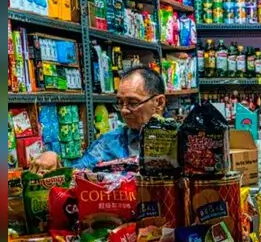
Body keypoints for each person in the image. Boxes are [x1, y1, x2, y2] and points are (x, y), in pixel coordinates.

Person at [29, 66, 167, 172]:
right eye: (120, 103)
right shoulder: (109, 143)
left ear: (159, 103)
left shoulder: (181, 141)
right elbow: (76, 174)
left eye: (133, 103)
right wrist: (55, 160)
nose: (124, 110)